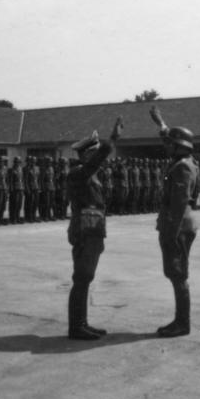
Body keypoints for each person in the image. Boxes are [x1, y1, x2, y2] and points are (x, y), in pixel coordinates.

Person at [65, 117, 124, 340]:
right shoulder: (78, 173)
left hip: (93, 231)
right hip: (84, 232)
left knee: (85, 278)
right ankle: (76, 327)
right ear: (88, 155)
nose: (99, 158)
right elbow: (97, 161)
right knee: (82, 277)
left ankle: (82, 323)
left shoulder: (90, 174)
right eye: (95, 154)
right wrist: (113, 138)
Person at [149, 106, 199, 338]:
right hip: (180, 223)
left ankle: (182, 323)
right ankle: (181, 321)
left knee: (178, 274)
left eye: (170, 144)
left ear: (179, 147)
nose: (166, 146)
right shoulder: (185, 162)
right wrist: (161, 123)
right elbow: (171, 135)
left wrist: (170, 232)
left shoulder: (181, 168)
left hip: (177, 225)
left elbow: (178, 204)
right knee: (176, 273)